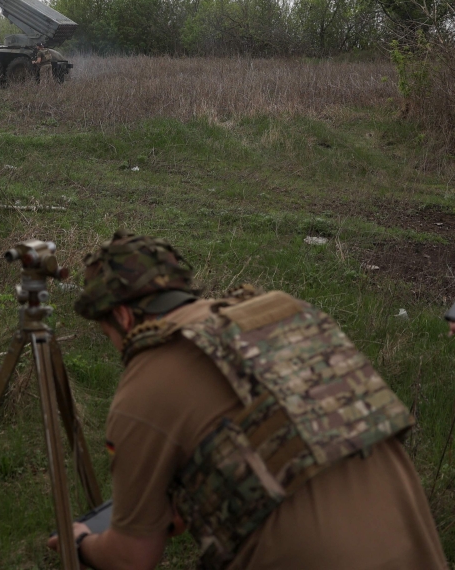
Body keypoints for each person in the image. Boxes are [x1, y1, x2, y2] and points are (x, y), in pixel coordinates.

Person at [50, 228, 446, 570]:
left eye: (107, 334)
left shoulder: (144, 386)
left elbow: (131, 558)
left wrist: (82, 541)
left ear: (120, 318)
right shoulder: (279, 312)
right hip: (419, 549)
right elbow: (296, 438)